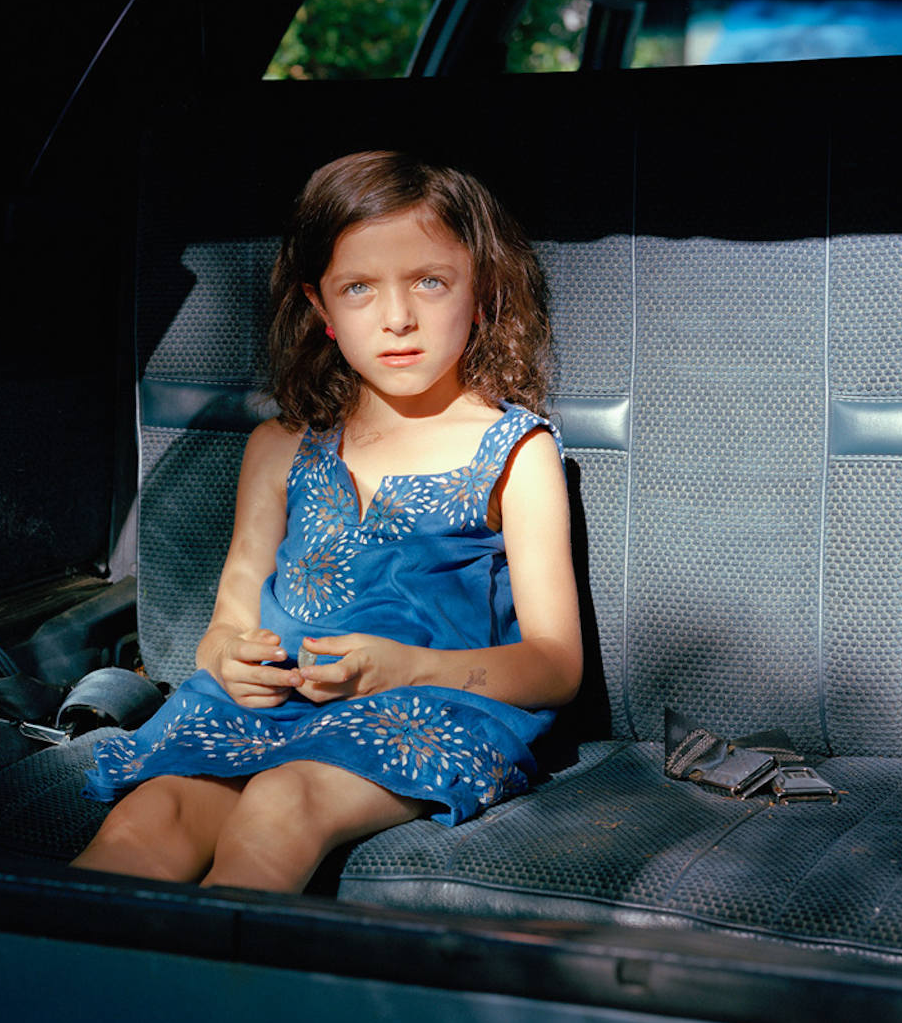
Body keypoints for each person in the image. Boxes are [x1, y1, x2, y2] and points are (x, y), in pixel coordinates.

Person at [72, 152, 581, 894]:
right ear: (322, 308)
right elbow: (225, 626)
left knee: (283, 803)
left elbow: (556, 665)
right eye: (359, 289)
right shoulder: (278, 449)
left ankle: (204, 1001)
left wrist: (406, 667)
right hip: (269, 711)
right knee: (147, 820)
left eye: (430, 282)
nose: (397, 317)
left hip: (426, 708)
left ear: (481, 293)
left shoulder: (513, 451)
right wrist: (228, 661)